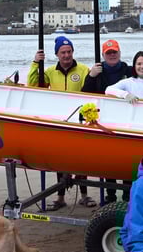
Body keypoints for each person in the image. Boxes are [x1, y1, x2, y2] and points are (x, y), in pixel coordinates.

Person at [27, 36, 95, 209]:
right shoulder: (50, 71)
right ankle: (60, 197)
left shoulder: (83, 69)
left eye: (69, 52)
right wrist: (36, 63)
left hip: (79, 120)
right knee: (60, 159)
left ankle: (85, 195)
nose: (66, 55)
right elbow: (33, 85)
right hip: (59, 120)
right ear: (57, 54)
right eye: (63, 52)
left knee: (80, 159)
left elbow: (91, 90)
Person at [81, 39, 132, 203]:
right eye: (108, 53)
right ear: (103, 55)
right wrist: (91, 76)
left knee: (126, 158)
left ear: (119, 53)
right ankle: (110, 194)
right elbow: (85, 94)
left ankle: (126, 193)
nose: (112, 55)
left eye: (114, 52)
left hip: (125, 119)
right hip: (105, 120)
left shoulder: (128, 70)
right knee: (108, 158)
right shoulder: (98, 71)